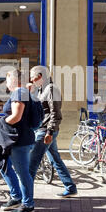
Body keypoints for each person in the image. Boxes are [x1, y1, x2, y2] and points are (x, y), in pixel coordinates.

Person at [27, 66, 78, 198]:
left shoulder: (51, 89)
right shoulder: (41, 90)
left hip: (45, 131)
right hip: (43, 129)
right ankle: (70, 187)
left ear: (40, 76)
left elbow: (56, 113)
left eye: (32, 77)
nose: (31, 80)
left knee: (32, 163)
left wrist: (49, 132)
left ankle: (24, 196)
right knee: (56, 160)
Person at [0, 69, 36, 212]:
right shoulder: (23, 92)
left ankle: (28, 204)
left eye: (7, 80)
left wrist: (0, 122)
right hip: (18, 138)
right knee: (3, 165)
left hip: (19, 139)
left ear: (14, 80)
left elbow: (16, 116)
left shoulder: (19, 92)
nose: (6, 84)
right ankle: (16, 196)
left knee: (23, 173)